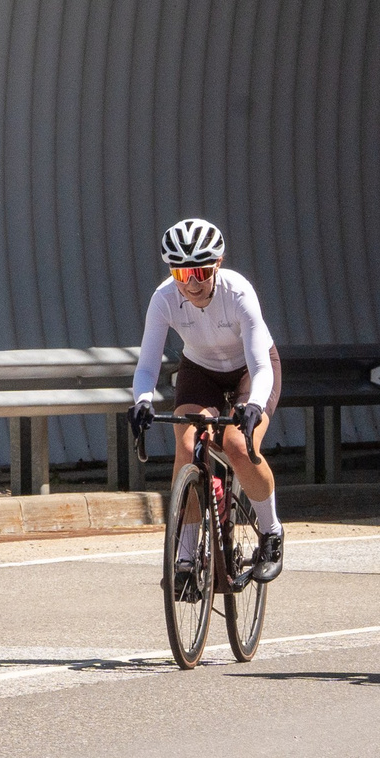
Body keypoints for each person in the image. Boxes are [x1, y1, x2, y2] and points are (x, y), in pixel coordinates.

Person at [126, 218, 285, 593]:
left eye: (199, 271)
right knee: (185, 448)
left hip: (252, 369)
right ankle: (184, 557)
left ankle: (272, 532)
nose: (192, 283)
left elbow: (262, 366)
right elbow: (147, 365)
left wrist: (254, 405)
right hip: (201, 370)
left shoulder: (239, 292)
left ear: (217, 263)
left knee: (237, 444)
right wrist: (144, 401)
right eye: (181, 274)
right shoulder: (164, 298)